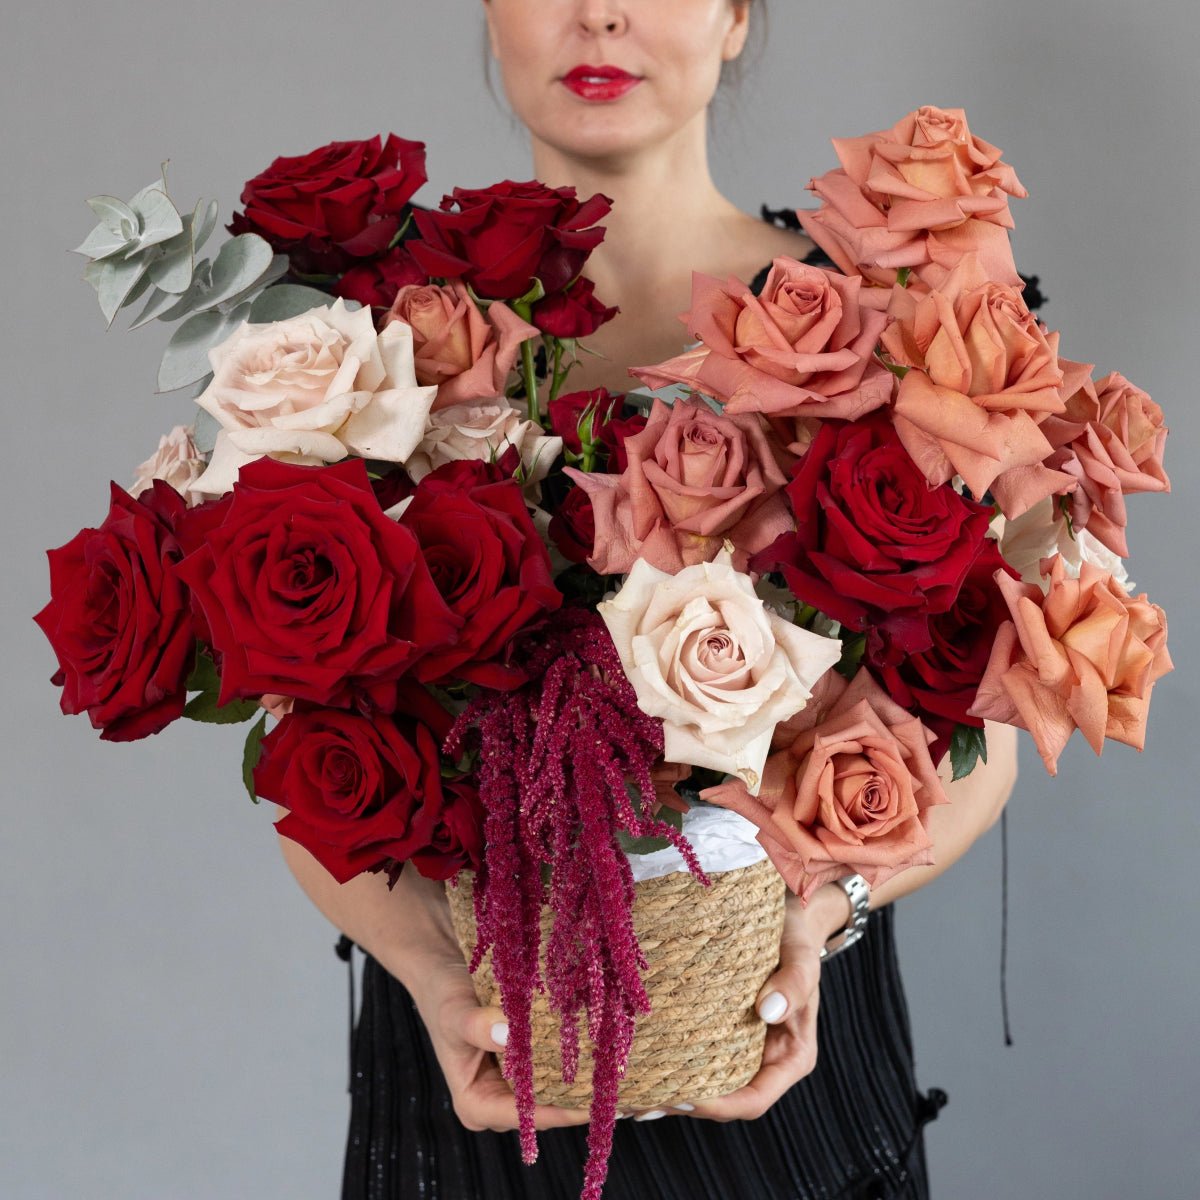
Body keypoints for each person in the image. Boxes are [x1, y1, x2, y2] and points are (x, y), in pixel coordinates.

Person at [278, 2, 1020, 1196]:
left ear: (734, 16)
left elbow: (992, 724)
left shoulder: (894, 333)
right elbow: (301, 739)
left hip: (785, 1066)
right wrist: (428, 972)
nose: (601, 12)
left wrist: (823, 911)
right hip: (481, 1071)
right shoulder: (373, 346)